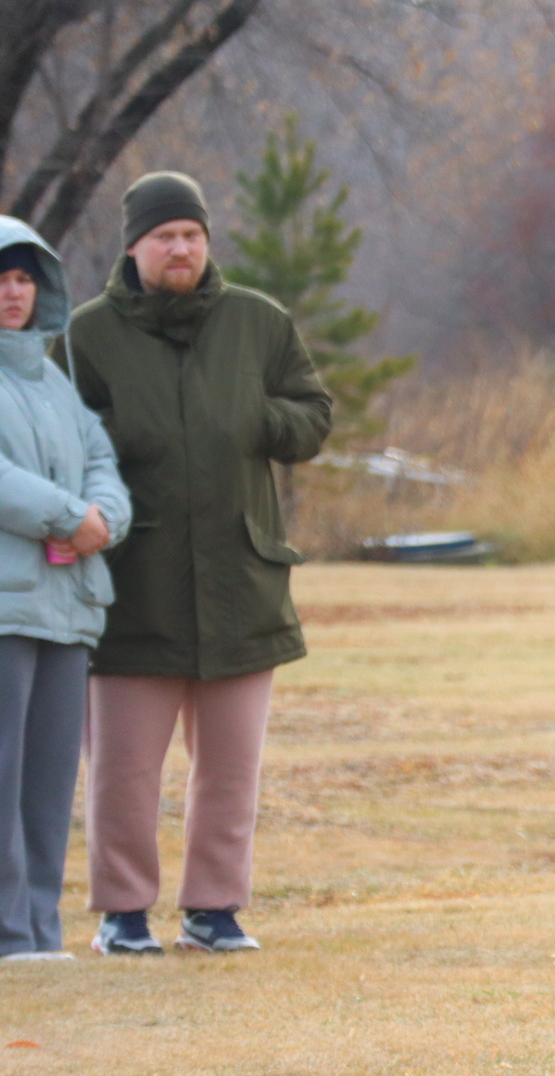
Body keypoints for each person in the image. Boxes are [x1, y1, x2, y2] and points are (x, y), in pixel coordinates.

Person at [60, 171, 332, 956]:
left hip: (241, 580)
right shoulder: (85, 335)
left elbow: (312, 415)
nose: (180, 248)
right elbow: (57, 436)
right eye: (163, 236)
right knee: (121, 768)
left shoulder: (259, 321)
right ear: (134, 246)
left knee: (229, 765)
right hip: (129, 584)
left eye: (192, 234)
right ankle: (123, 912)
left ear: (207, 241)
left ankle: (215, 909)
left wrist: (251, 416)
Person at [0, 219, 131, 963]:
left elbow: (102, 463)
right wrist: (66, 514)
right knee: (3, 771)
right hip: (6, 606)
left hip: (69, 605)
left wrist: (101, 518)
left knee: (49, 777)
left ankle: (42, 931)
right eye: (1, 280)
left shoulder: (56, 380)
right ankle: (7, 932)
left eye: (24, 279)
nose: (13, 293)